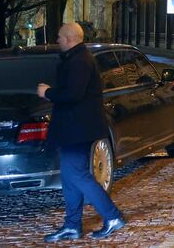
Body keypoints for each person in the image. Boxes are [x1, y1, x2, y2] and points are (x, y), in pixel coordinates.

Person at [37, 22, 125, 241]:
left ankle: (112, 216)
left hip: (77, 129)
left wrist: (48, 92)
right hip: (74, 129)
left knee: (77, 174)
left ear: (68, 38)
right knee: (69, 177)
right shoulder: (78, 59)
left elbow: (72, 94)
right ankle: (72, 225)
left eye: (59, 37)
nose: (57, 40)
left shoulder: (79, 61)